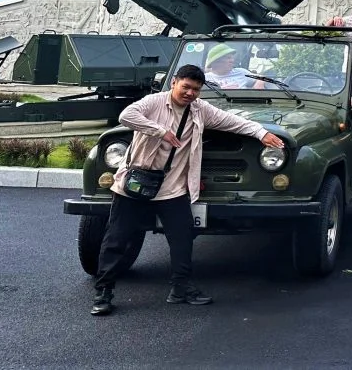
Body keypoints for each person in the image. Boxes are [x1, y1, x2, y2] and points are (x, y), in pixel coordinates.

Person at [91, 65, 285, 316]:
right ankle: (104, 291)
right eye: (186, 87)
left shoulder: (199, 109)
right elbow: (126, 116)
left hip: (172, 187)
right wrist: (161, 131)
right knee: (117, 238)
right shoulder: (153, 102)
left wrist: (261, 133)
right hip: (136, 183)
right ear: (174, 82)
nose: (190, 93)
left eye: (196, 89)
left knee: (182, 238)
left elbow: (232, 122)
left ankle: (181, 288)